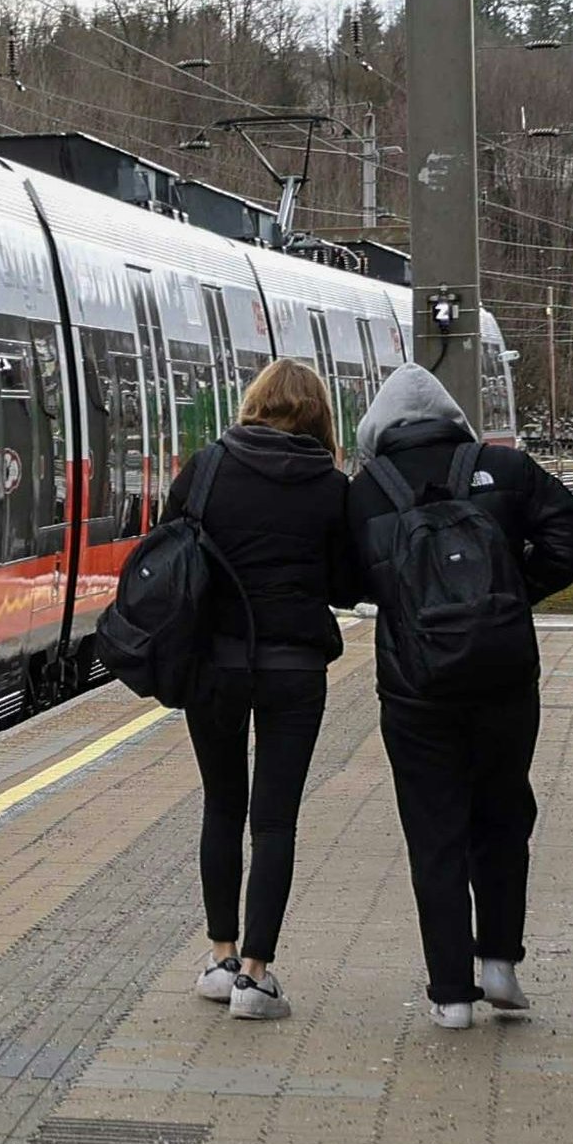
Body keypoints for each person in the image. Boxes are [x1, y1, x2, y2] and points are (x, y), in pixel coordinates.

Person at [343, 361, 573, 1030]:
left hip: (415, 690)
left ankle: (451, 995)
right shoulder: (506, 469)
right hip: (504, 681)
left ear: (379, 428)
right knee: (503, 816)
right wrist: (511, 596)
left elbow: (341, 580)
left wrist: (412, 606)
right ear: (454, 417)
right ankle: (501, 967)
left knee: (435, 833)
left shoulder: (367, 493)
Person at [168, 358, 362, 1023]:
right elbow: (345, 586)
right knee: (275, 819)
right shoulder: (330, 487)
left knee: (222, 805)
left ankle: (220, 958)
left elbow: (170, 550)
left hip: (214, 667)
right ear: (318, 418)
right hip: (294, 670)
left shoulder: (207, 467)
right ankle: (257, 975)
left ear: (253, 406)